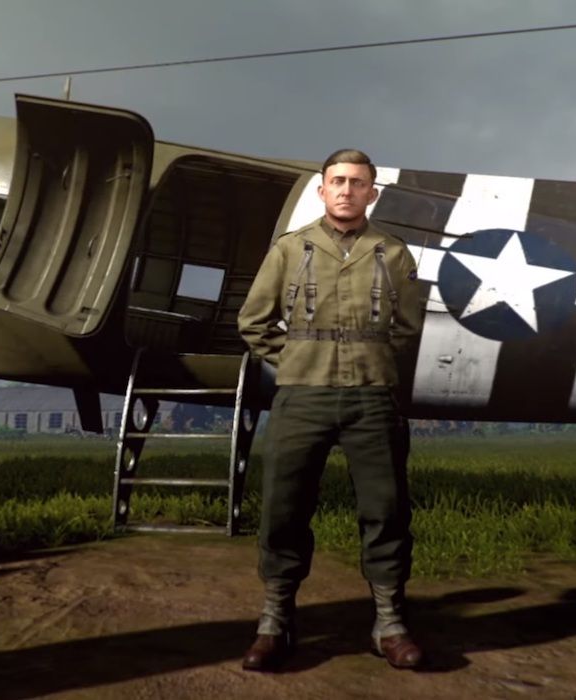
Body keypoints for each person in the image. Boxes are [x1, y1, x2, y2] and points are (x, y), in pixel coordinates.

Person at [236, 148, 426, 671]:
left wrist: (372, 364)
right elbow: (253, 322)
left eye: (357, 182)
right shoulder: (290, 250)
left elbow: (407, 330)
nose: (346, 190)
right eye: (337, 181)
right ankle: (275, 620)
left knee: (386, 510)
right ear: (322, 190)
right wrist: (298, 359)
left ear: (372, 193)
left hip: (372, 399)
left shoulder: (394, 253)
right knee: (283, 506)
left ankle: (389, 622)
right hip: (302, 397)